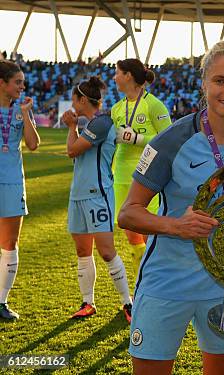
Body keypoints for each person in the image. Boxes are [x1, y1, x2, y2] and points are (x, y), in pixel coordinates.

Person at [118, 41, 224, 375]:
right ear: (203, 83)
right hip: (166, 281)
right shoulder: (173, 140)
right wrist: (176, 226)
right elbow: (128, 212)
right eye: (219, 81)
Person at [61, 76, 133, 322]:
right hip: (78, 195)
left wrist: (72, 127)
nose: (72, 104)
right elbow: (73, 154)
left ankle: (128, 303)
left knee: (106, 251)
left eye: (74, 99)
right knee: (83, 250)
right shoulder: (91, 124)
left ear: (82, 99)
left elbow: (72, 149)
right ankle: (88, 302)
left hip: (97, 195)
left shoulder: (102, 123)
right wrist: (74, 128)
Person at [111, 58, 172, 276]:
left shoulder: (153, 105)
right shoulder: (117, 108)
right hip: (121, 176)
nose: (114, 77)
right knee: (130, 231)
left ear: (128, 75)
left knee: (150, 232)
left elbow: (168, 138)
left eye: (118, 72)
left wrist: (137, 138)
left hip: (148, 177)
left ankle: (158, 278)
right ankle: (141, 283)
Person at [0, 60, 40, 320]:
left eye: (22, 82)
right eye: (17, 82)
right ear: (2, 83)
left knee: (9, 243)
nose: (22, 86)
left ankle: (1, 302)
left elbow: (33, 144)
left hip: (13, 181)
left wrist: (26, 115)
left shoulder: (21, 110)